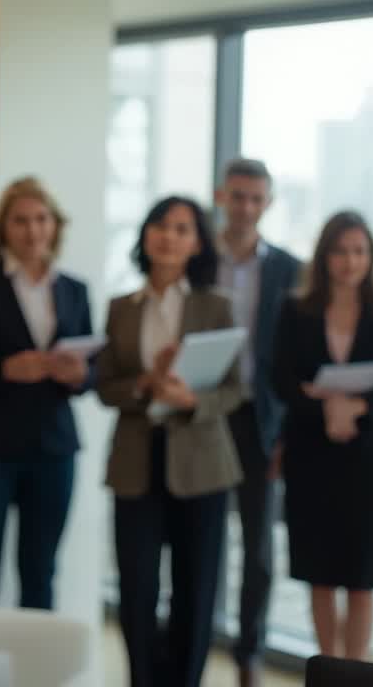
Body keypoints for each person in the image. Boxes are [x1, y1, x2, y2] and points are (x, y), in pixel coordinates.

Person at [95, 195, 244, 687]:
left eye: (182, 229)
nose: (169, 236)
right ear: (145, 235)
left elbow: (235, 387)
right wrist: (143, 384)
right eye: (160, 225)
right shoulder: (121, 308)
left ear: (197, 243)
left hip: (202, 465)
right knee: (136, 591)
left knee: (195, 592)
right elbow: (104, 385)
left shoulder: (216, 306)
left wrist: (188, 399)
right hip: (136, 462)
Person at [271, 211, 373, 660]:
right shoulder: (295, 310)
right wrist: (324, 406)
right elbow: (280, 377)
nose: (350, 262)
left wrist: (357, 406)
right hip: (311, 453)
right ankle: (327, 669)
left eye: (359, 251)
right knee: (319, 572)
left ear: (371, 257)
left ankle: (353, 673)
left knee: (361, 575)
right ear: (324, 256)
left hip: (367, 455)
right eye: (340, 251)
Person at [0, 176, 94, 610]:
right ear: (4, 228)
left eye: (41, 219)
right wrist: (5, 369)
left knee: (41, 574)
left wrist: (78, 375)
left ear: (55, 225)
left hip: (54, 448)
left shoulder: (74, 289)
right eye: (21, 221)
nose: (33, 230)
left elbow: (92, 372)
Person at [213, 158, 303, 687]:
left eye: (257, 198)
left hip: (261, 421)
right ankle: (200, 638)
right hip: (202, 418)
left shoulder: (289, 269)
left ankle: (250, 654)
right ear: (222, 197)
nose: (246, 207)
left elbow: (294, 359)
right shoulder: (200, 263)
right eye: (238, 196)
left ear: (267, 204)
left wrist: (286, 434)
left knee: (259, 550)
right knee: (202, 539)